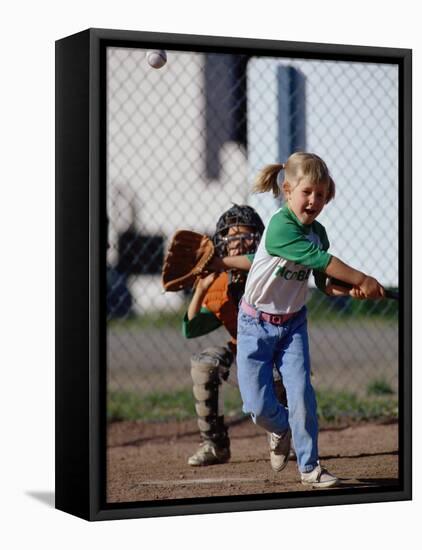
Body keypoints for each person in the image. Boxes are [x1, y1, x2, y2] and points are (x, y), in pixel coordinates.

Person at [233, 152, 385, 488]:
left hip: (292, 326)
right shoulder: (279, 227)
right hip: (254, 324)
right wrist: (362, 278)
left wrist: (348, 291)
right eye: (306, 192)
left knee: (301, 393)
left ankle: (310, 467)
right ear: (287, 191)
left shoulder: (319, 233)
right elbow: (323, 260)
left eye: (320, 193)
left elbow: (323, 281)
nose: (313, 200)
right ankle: (281, 429)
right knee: (256, 405)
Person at [182, 204, 287, 467]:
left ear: (259, 241)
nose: (238, 243)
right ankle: (214, 444)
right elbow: (190, 328)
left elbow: (255, 262)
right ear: (221, 243)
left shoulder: (268, 271)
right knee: (204, 364)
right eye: (232, 237)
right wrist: (201, 288)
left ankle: (284, 435)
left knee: (277, 375)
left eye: (246, 237)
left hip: (275, 350)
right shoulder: (218, 282)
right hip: (242, 350)